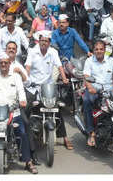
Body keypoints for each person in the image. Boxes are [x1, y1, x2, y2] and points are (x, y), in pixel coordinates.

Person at [24, 31, 73, 162]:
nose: (44, 43)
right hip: (33, 86)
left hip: (48, 86)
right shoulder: (32, 52)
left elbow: (59, 67)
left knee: (57, 108)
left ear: (49, 42)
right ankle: (24, 136)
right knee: (27, 108)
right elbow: (27, 67)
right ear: (38, 41)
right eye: (42, 41)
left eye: (46, 41)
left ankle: (64, 137)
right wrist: (26, 79)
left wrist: (64, 78)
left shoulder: (53, 52)